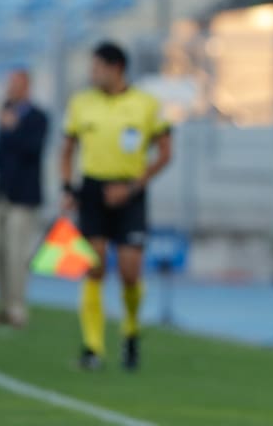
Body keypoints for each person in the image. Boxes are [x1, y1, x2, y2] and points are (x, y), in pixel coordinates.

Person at [61, 41, 172, 370]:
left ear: (116, 68)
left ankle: (131, 331)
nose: (92, 74)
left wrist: (133, 187)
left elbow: (165, 152)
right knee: (93, 267)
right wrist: (68, 187)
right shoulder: (82, 103)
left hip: (130, 192)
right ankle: (92, 347)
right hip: (93, 191)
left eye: (97, 68)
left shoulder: (146, 104)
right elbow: (67, 150)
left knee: (128, 271)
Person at [0, 69, 48, 327]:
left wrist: (12, 129)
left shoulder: (38, 117)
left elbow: (32, 150)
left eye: (16, 83)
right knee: (0, 252)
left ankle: (17, 308)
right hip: (1, 194)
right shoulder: (5, 115)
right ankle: (4, 305)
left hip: (23, 197)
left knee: (17, 254)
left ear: (26, 86)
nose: (10, 88)